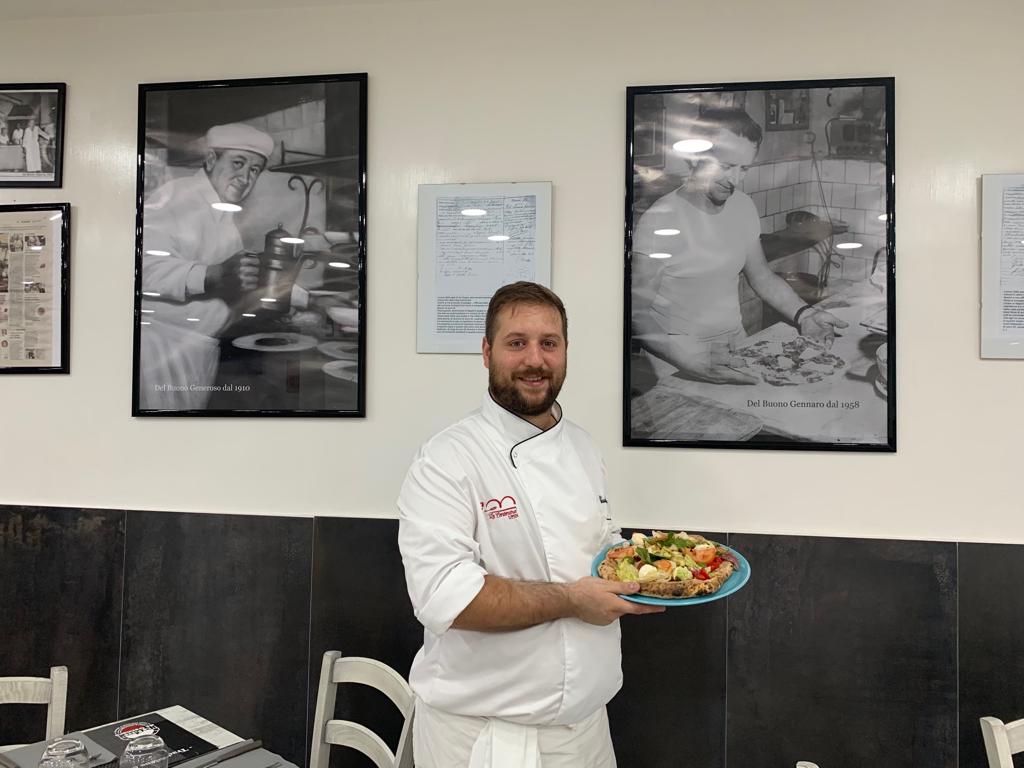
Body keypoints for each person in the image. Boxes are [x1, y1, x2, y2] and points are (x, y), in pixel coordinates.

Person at [398, 282, 663, 768]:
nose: (535, 360)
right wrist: (572, 600)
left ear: (565, 351)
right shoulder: (447, 459)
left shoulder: (583, 447)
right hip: (487, 738)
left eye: (549, 343)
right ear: (487, 352)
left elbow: (601, 548)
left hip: (586, 730)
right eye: (516, 342)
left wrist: (653, 571)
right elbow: (444, 597)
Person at [631, 108, 847, 386]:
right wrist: (690, 361)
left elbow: (762, 277)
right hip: (679, 360)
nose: (734, 180)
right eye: (725, 166)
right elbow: (636, 312)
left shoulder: (742, 206)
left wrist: (805, 314)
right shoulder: (661, 219)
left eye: (743, 169)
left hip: (736, 345)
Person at [138, 122, 272, 410]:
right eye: (238, 163)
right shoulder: (177, 197)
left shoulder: (224, 214)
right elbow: (144, 269)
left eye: (254, 170)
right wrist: (212, 274)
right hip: (162, 351)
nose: (245, 177)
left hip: (198, 351)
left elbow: (231, 281)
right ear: (211, 160)